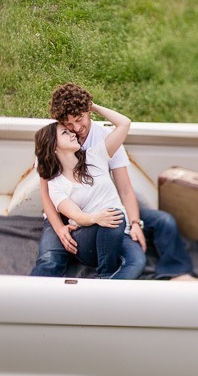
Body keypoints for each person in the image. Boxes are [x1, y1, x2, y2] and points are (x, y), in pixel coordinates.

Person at [32, 82, 194, 279]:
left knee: (163, 222)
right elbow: (47, 194)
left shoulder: (102, 141)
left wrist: (135, 223)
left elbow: (125, 189)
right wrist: (59, 229)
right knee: (49, 259)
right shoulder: (52, 141)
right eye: (68, 124)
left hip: (102, 205)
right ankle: (29, 302)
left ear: (87, 110)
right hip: (64, 213)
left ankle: (177, 272)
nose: (76, 128)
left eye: (79, 118)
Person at [30, 101, 147, 279]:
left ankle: (105, 287)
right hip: (87, 230)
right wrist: (89, 219)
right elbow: (74, 214)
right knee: (49, 260)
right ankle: (29, 298)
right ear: (53, 147)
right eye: (66, 130)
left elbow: (124, 123)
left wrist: (92, 106)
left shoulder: (95, 155)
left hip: (114, 226)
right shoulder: (56, 182)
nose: (73, 132)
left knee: (137, 261)